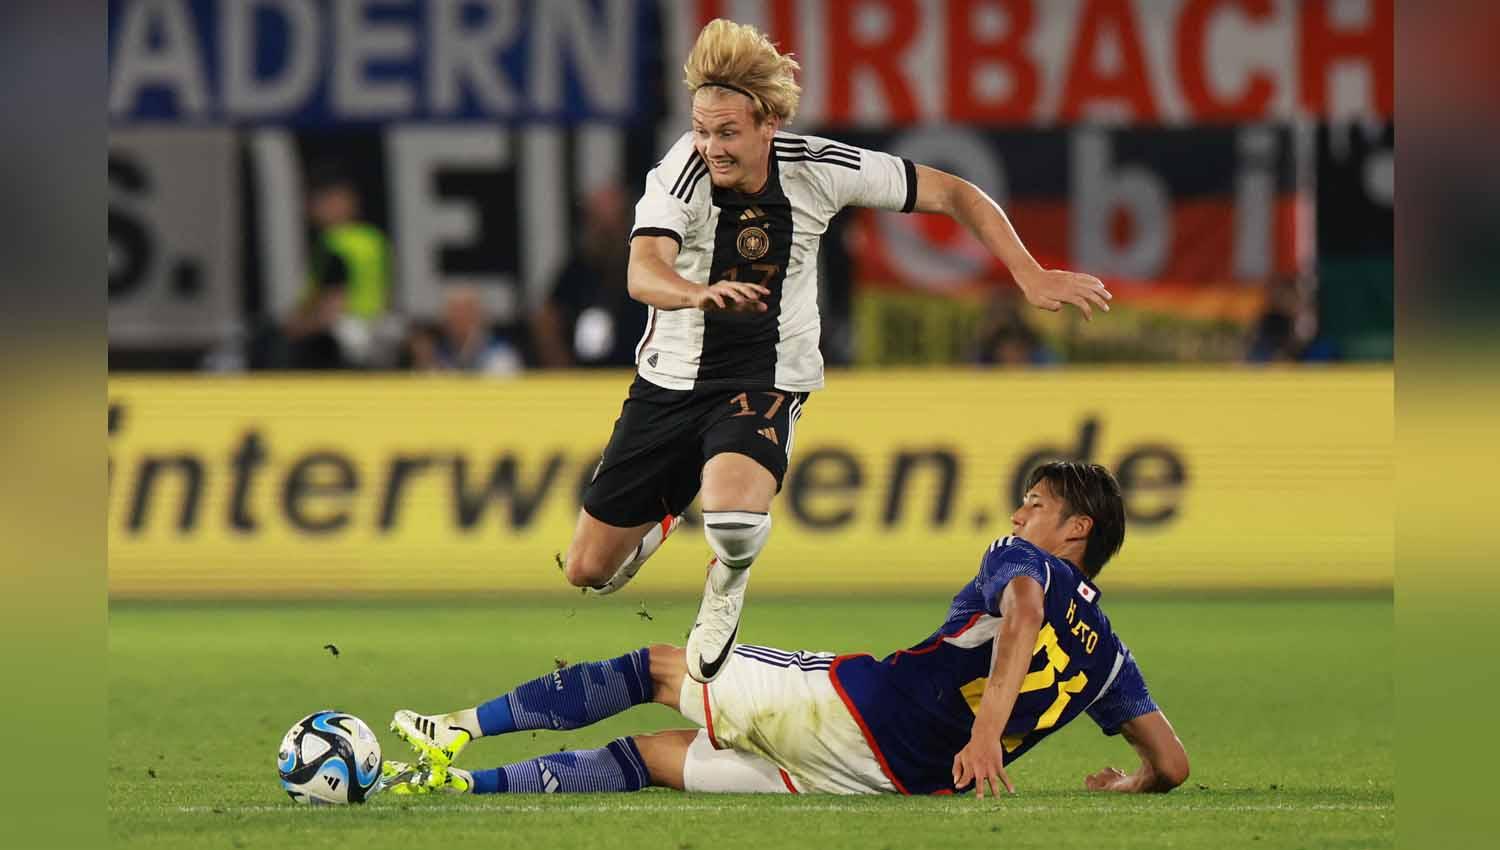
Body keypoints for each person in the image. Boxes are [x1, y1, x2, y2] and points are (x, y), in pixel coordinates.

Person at [560, 18, 1113, 685]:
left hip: (766, 375)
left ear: (768, 123)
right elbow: (642, 269)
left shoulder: (819, 168)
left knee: (735, 517)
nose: (711, 147)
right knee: (587, 571)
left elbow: (955, 192)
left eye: (727, 132)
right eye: (702, 130)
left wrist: (1027, 271)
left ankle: (725, 585)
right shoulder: (678, 173)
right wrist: (693, 294)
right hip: (668, 383)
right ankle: (674, 508)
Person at [383, 462, 1187, 798]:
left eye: (1037, 504)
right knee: (664, 761)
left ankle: (454, 730)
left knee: (662, 668)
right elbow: (1173, 763)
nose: (1019, 514)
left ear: (1076, 529)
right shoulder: (1111, 655)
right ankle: (459, 787)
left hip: (859, 712)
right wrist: (1133, 783)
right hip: (902, 787)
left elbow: (1021, 615)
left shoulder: (1027, 564)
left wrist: (982, 735)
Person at [282, 162, 390, 369]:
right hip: (377, 329)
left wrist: (299, 327)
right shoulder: (373, 239)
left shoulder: (335, 245)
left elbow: (334, 303)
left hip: (344, 336)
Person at [530, 185, 646, 368]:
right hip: (585, 382)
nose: (607, 233)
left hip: (636, 376)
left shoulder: (646, 268)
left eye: (614, 224)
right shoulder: (576, 270)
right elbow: (546, 318)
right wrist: (563, 372)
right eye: (599, 223)